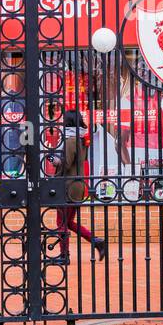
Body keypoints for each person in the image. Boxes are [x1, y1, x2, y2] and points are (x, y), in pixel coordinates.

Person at [46, 109, 105, 265]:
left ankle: (64, 256)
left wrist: (52, 159)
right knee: (68, 223)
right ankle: (96, 241)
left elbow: (65, 164)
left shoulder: (71, 140)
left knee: (61, 223)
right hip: (77, 186)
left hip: (68, 187)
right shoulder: (81, 138)